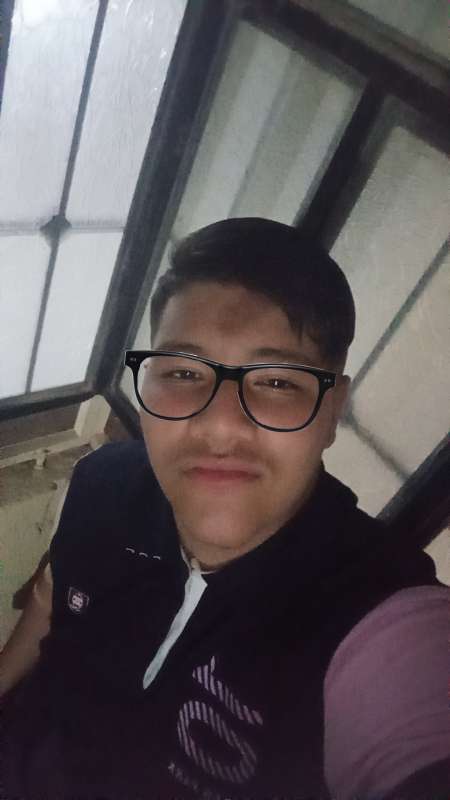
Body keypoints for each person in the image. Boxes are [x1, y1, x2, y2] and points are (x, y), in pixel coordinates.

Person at [0, 218, 448, 799]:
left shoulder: (375, 615)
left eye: (278, 382)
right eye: (185, 372)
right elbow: (50, 598)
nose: (220, 426)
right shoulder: (104, 481)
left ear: (332, 410)